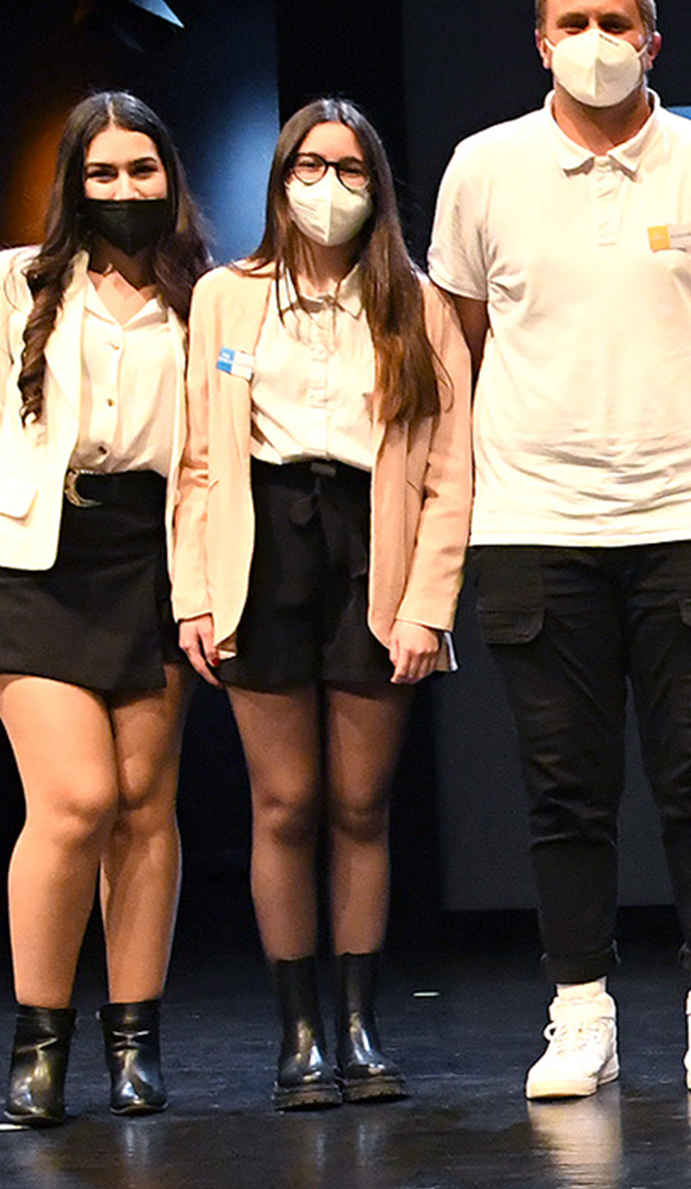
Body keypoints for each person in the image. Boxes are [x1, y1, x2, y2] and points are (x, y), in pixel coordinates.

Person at [428, 0, 691, 1099]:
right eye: (574, 23)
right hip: (536, 522)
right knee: (564, 787)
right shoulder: (484, 168)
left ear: (652, 41)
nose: (597, 42)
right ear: (542, 43)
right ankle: (579, 1013)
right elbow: (457, 347)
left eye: (617, 22)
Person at [174, 100, 471, 1107]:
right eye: (309, 167)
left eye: (349, 170)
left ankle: (359, 1028)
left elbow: (449, 475)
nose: (328, 188)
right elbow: (198, 462)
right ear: (280, 179)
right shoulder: (226, 298)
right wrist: (195, 595)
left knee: (358, 804)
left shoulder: (418, 305)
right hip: (261, 548)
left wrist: (428, 605)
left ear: (376, 187)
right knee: (286, 802)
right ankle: (299, 1036)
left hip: (370, 548)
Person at [0, 92, 208, 1126]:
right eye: (102, 173)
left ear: (169, 177)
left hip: (155, 556)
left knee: (144, 805)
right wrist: (7, 527)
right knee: (75, 800)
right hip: (37, 555)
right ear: (73, 183)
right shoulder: (16, 280)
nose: (124, 189)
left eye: (141, 170)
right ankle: (39, 1038)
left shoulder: (206, 293)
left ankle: (134, 1041)